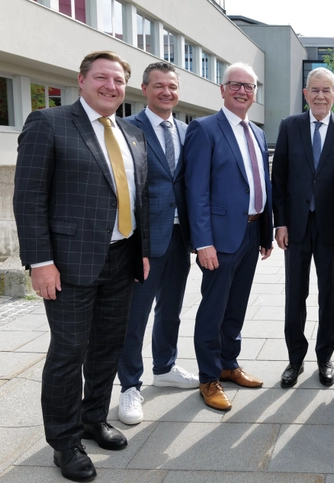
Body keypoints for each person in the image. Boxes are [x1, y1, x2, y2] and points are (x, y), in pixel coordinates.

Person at [13, 50, 150, 482]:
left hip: (121, 258)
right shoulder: (49, 123)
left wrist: (140, 248)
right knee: (69, 353)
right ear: (82, 80)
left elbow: (134, 196)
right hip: (68, 264)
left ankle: (93, 420)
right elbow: (29, 197)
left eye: (118, 81)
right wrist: (40, 261)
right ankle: (64, 441)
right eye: (102, 78)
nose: (111, 87)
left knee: (107, 347)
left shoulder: (131, 132)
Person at [183, 63, 273, 411]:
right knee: (213, 309)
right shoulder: (204, 130)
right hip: (219, 239)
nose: (242, 91)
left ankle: (228, 363)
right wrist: (203, 242)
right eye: (235, 85)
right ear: (222, 89)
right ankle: (208, 378)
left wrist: (265, 232)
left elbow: (259, 185)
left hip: (251, 233)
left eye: (249, 86)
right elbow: (196, 191)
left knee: (236, 306)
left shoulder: (257, 132)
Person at [117, 62, 197, 426]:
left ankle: (164, 366)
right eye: (159, 86)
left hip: (181, 236)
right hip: (144, 237)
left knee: (171, 308)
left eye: (173, 86)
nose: (167, 92)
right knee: (135, 314)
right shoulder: (126, 128)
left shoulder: (186, 130)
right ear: (145, 89)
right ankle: (129, 385)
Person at [272, 67, 334, 388]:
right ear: (305, 94)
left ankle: (325, 357)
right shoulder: (289, 126)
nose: (320, 95)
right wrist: (279, 222)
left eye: (326, 90)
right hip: (294, 227)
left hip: (331, 228)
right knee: (295, 294)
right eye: (314, 90)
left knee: (330, 296)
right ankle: (295, 359)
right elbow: (278, 177)